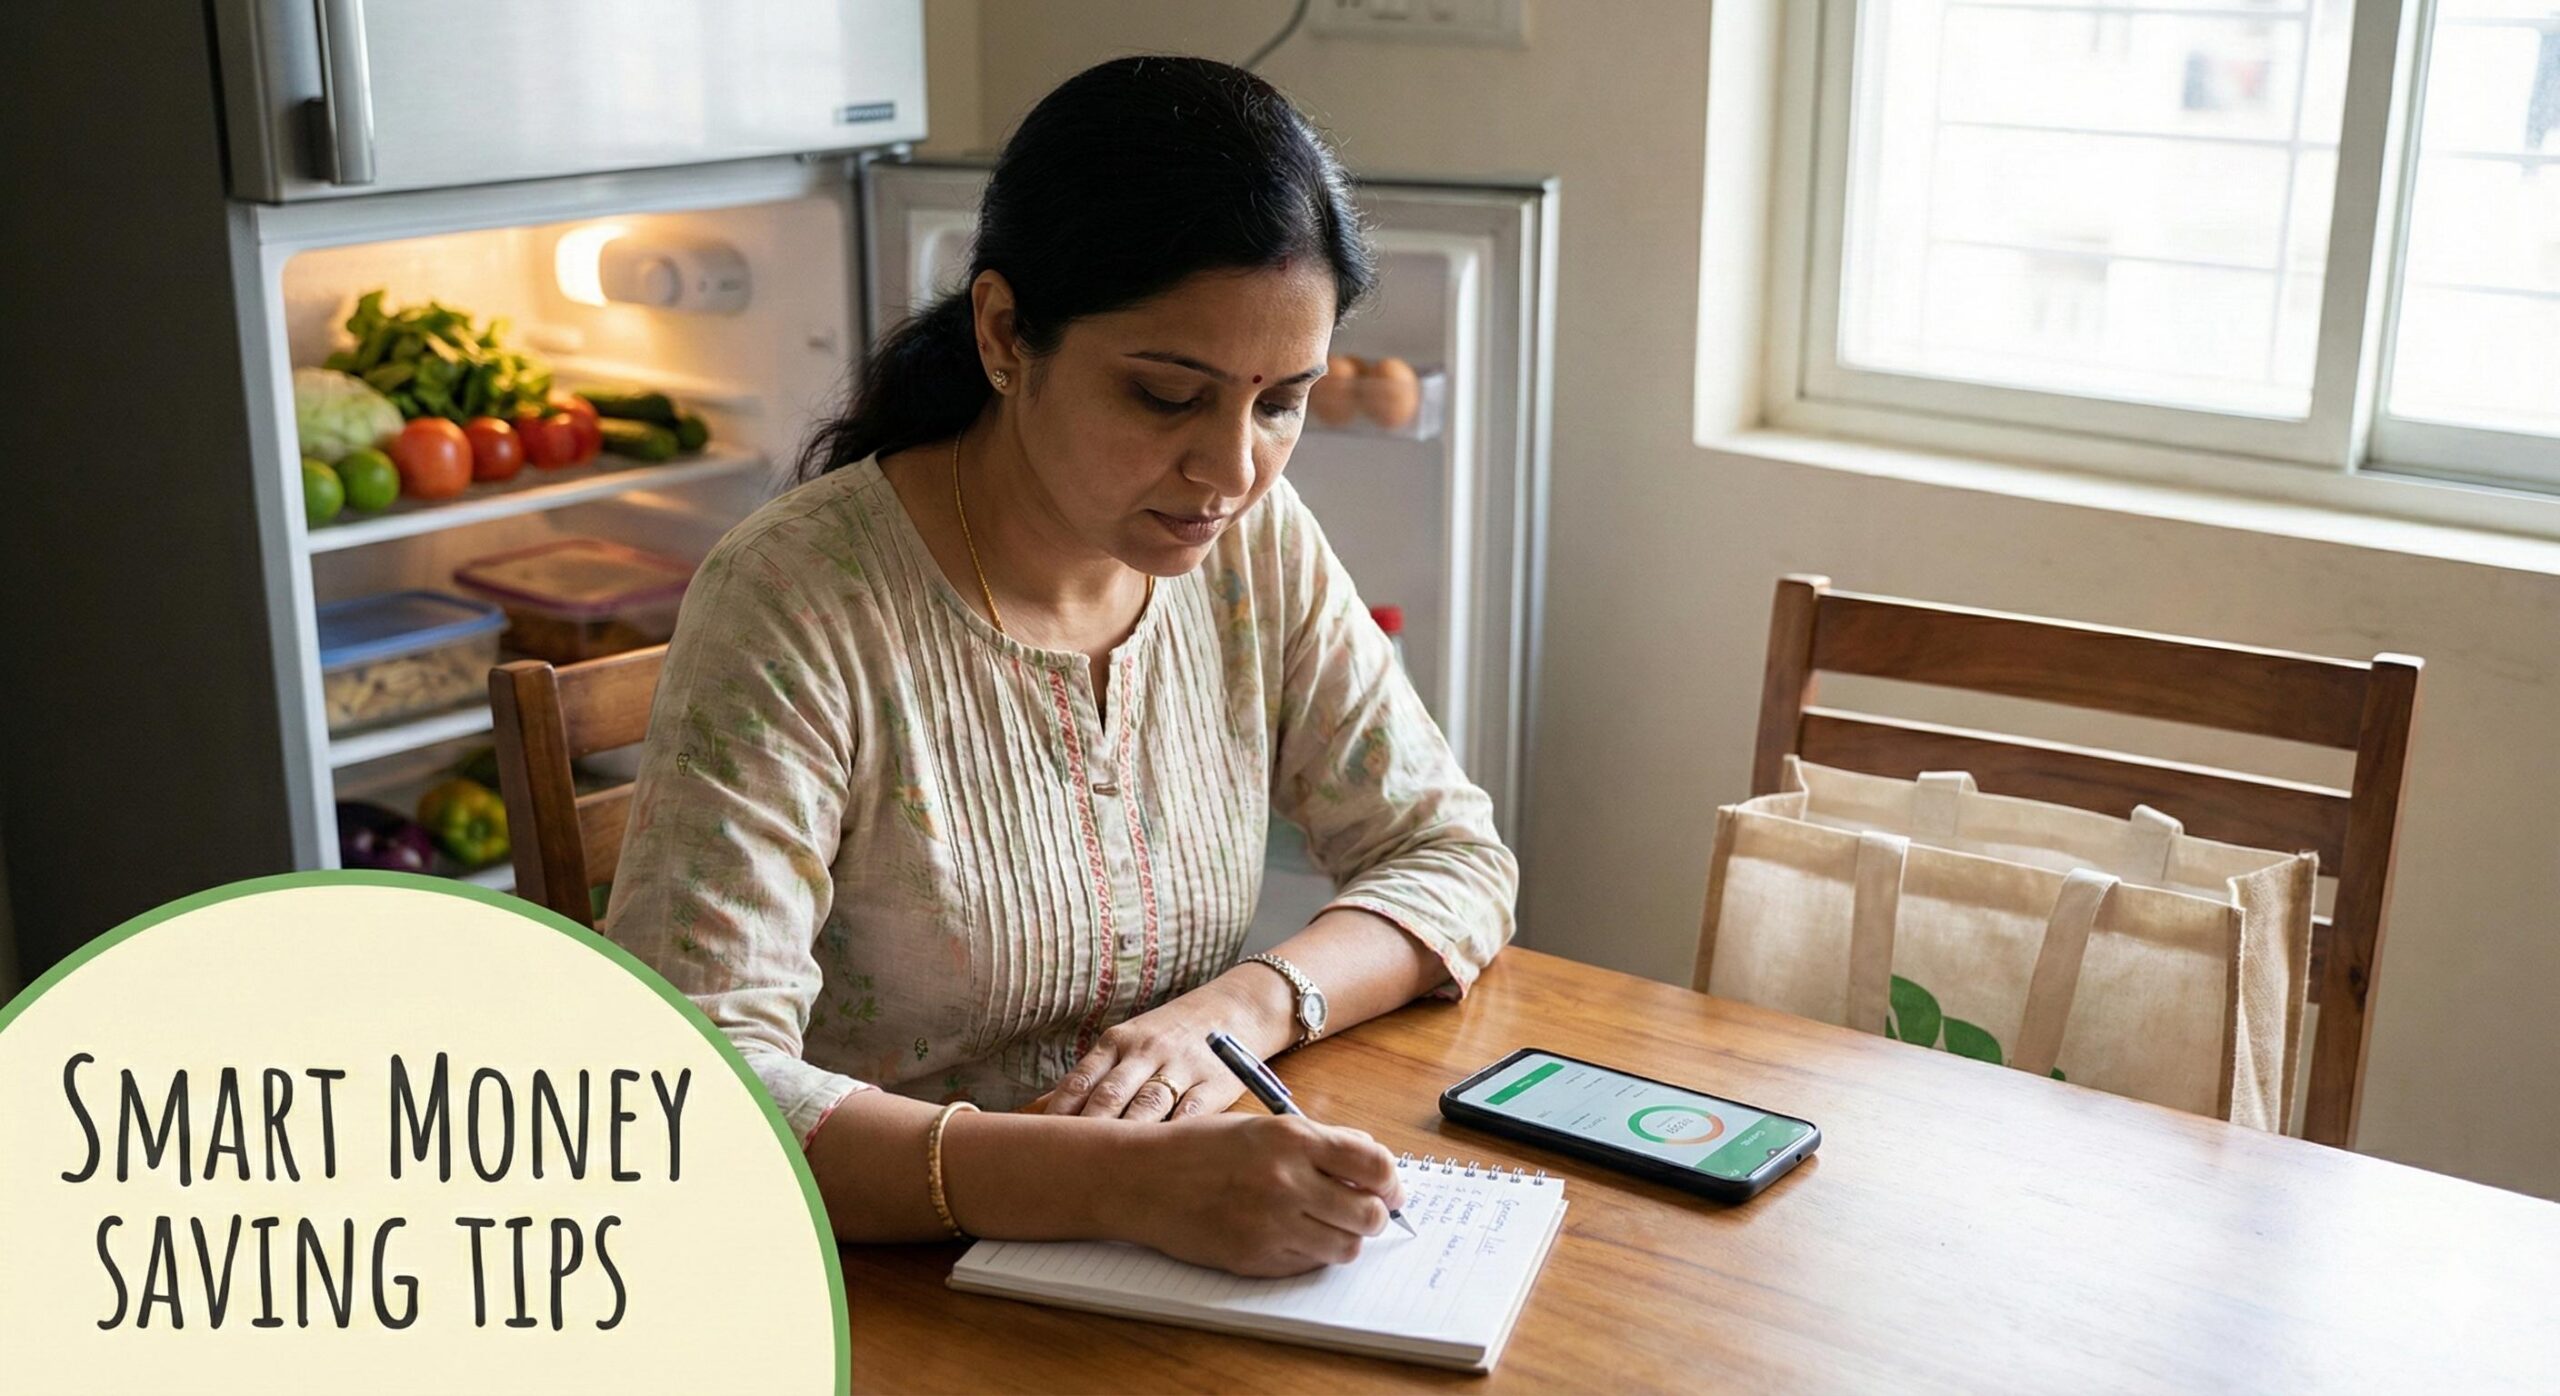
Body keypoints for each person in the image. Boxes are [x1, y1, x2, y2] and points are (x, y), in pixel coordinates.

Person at [605, 55, 1517, 1278]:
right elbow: (697, 1091)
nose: (1232, 471)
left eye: (1280, 403)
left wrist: (1238, 1010)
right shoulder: (798, 599)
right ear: (1002, 334)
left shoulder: (1253, 546)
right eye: (1163, 395)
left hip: (1167, 1237)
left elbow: (1450, 856)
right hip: (875, 1283)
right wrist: (1121, 1185)